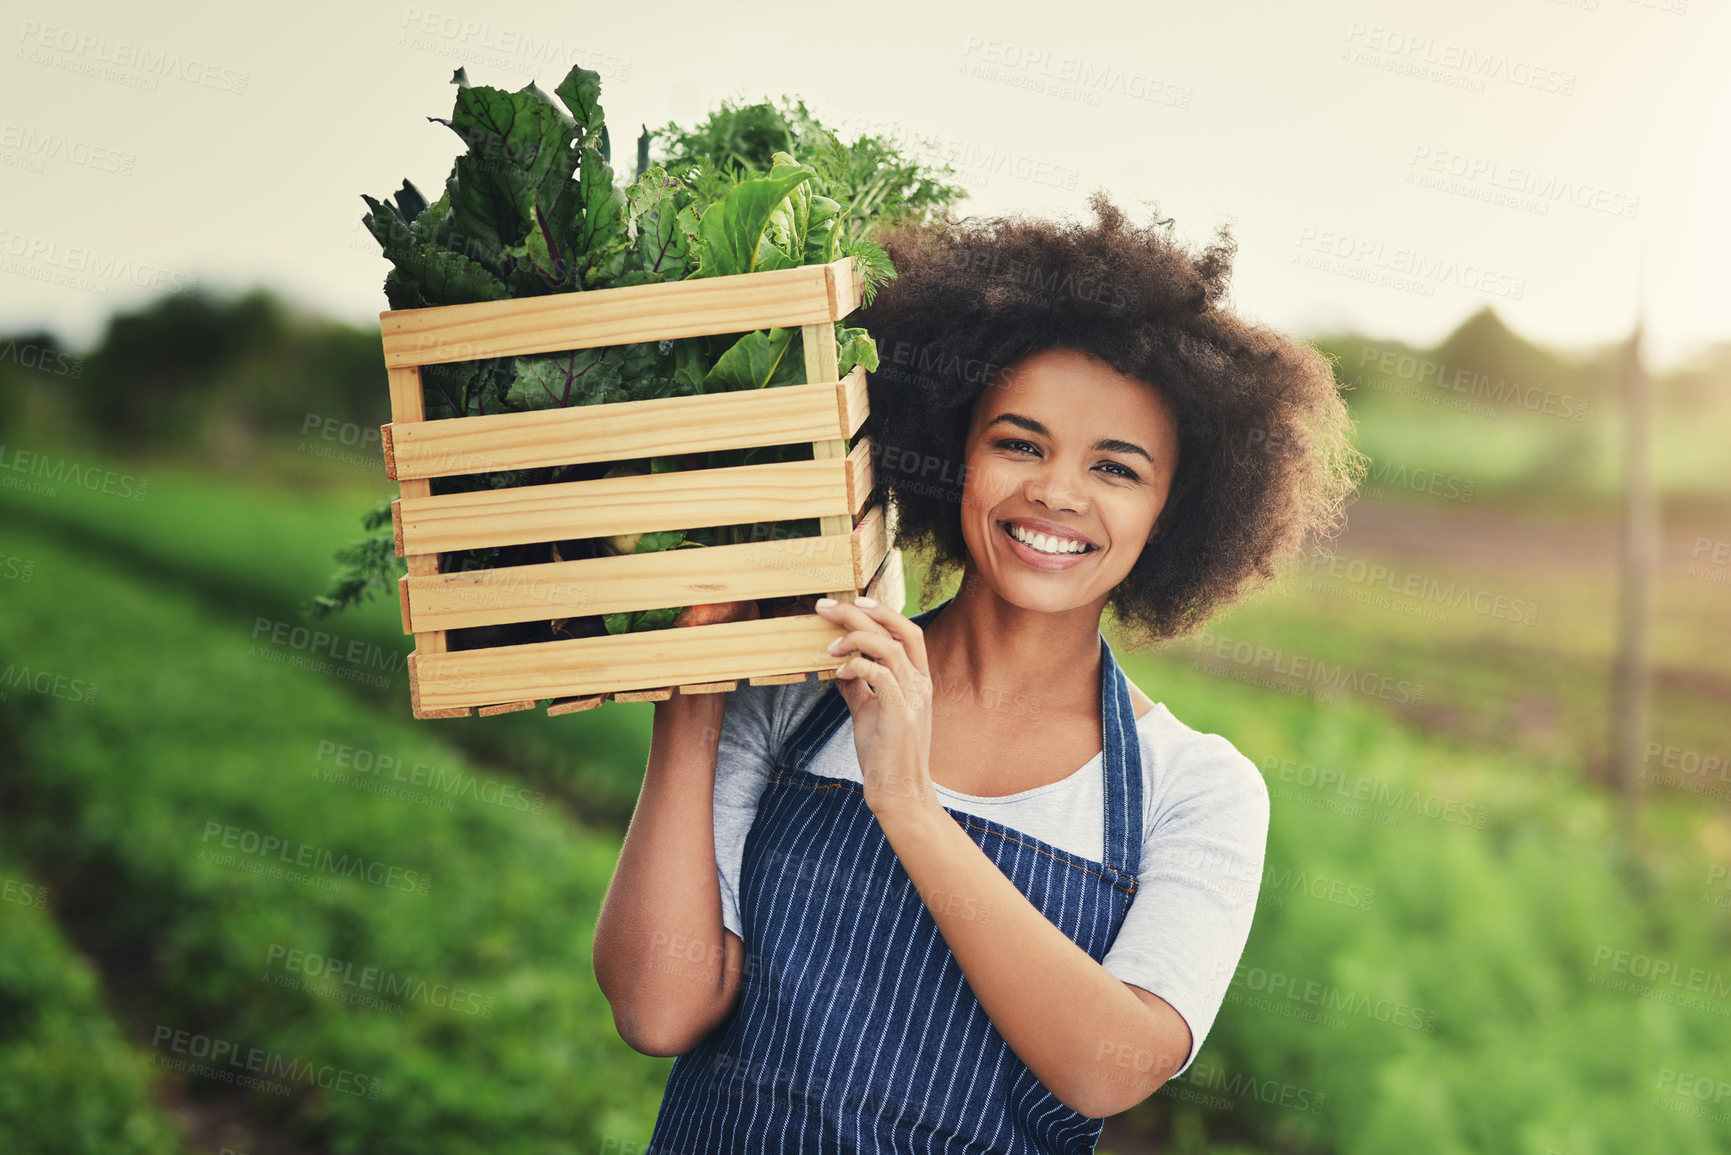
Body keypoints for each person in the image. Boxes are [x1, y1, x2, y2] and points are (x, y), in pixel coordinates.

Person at [591, 190, 1363, 1152]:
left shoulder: (1196, 791)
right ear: (951, 450)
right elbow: (657, 1010)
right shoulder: (796, 689)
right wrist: (692, 699)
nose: (1055, 491)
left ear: (1175, 510)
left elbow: (1110, 1068)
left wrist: (908, 802)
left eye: (1115, 468)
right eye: (1018, 443)